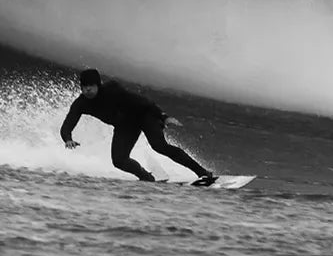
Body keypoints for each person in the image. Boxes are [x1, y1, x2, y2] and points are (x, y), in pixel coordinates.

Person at [58, 66, 216, 185]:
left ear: (98, 85)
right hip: (125, 126)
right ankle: (146, 177)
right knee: (119, 160)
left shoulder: (112, 89)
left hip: (143, 115)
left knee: (159, 146)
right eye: (84, 87)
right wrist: (67, 138)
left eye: (91, 86)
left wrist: (162, 116)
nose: (88, 90)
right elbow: (69, 122)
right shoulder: (81, 103)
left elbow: (140, 101)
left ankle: (202, 172)